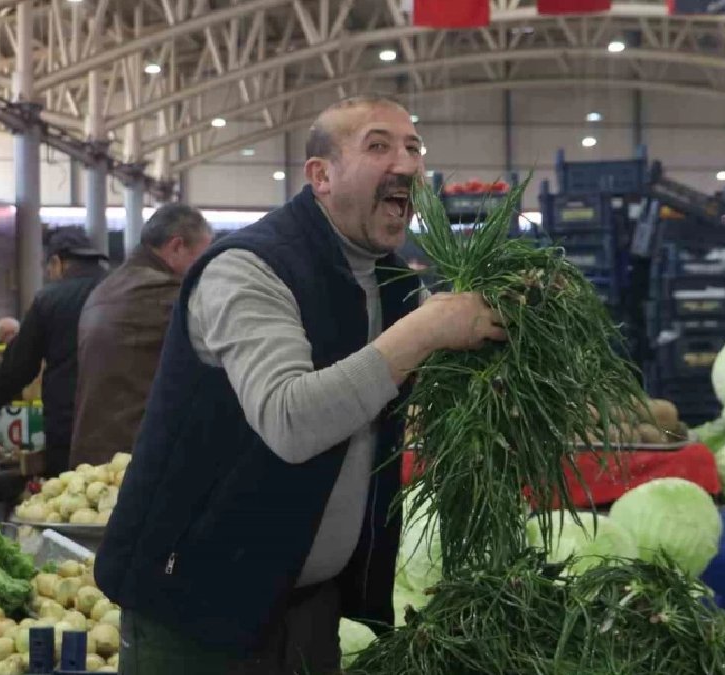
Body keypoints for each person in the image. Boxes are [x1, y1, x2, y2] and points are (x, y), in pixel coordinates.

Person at [95, 95, 506, 675]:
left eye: (414, 148)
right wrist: (428, 329)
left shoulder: (388, 283)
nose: (408, 163)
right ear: (321, 175)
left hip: (310, 606)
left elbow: (389, 399)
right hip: (197, 606)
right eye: (378, 145)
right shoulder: (248, 268)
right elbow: (290, 421)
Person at [71, 204, 213, 467]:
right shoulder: (165, 293)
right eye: (202, 259)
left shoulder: (106, 288)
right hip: (128, 459)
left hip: (93, 452)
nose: (204, 271)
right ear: (177, 246)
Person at [0, 227, 108, 476]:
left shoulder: (49, 299)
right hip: (125, 422)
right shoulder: (121, 289)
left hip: (68, 424)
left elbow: (19, 368)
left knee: (69, 497)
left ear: (57, 262)